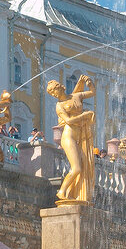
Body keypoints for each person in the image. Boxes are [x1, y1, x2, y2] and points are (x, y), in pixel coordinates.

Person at [46, 75, 96, 204]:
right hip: (68, 137)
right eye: (51, 93)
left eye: (54, 90)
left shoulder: (76, 96)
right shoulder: (59, 106)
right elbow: (68, 121)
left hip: (80, 136)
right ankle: (61, 191)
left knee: (84, 166)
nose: (53, 94)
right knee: (77, 168)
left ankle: (75, 193)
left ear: (60, 87)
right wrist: (85, 115)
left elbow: (92, 93)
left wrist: (89, 83)